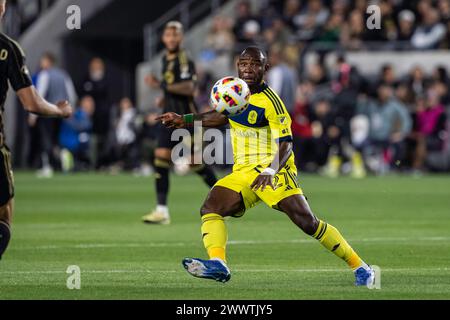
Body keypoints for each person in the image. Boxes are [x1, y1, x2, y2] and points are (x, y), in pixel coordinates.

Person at [157, 47, 375, 286]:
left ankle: (361, 268)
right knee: (211, 208)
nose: (248, 69)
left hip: (274, 170)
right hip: (243, 173)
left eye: (254, 64)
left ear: (265, 68)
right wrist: (185, 120)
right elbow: (221, 116)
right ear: (237, 66)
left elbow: (287, 144)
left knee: (307, 222)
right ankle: (218, 264)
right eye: (243, 64)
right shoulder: (236, 93)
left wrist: (270, 171)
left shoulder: (272, 103)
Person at [0, 0, 72, 260]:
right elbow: (32, 103)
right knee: (4, 212)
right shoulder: (7, 49)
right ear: (3, 8)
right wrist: (60, 110)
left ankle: (47, 164)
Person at [142, 21, 218, 225]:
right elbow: (173, 89)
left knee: (195, 162)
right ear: (163, 38)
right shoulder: (167, 58)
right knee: (161, 157)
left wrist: (161, 85)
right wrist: (163, 97)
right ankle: (161, 210)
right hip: (170, 117)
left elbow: (189, 88)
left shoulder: (184, 59)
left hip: (185, 119)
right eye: (168, 35)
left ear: (181, 38)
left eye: (175, 35)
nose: (172, 39)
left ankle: (224, 195)